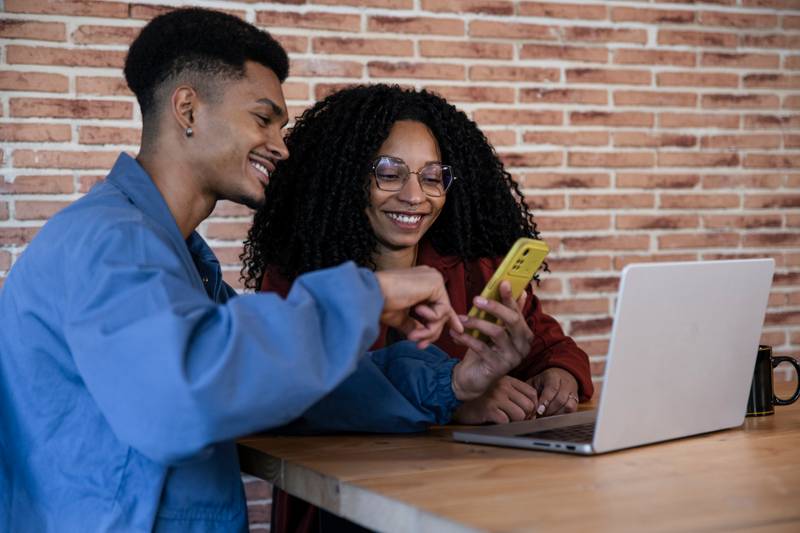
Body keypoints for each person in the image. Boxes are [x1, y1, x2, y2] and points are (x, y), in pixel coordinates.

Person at [0, 10, 531, 533]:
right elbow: (179, 397)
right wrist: (364, 293)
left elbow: (290, 383)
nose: (281, 145)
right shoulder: (113, 241)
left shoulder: (176, 260)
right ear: (187, 109)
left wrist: (452, 382)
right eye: (262, 117)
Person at [242, 84, 595, 532]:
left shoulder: (473, 269)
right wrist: (455, 397)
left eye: (432, 176)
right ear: (349, 175)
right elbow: (303, 393)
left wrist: (558, 373)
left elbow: (551, 343)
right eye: (389, 172)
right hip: (342, 508)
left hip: (460, 499)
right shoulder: (303, 278)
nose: (415, 196)